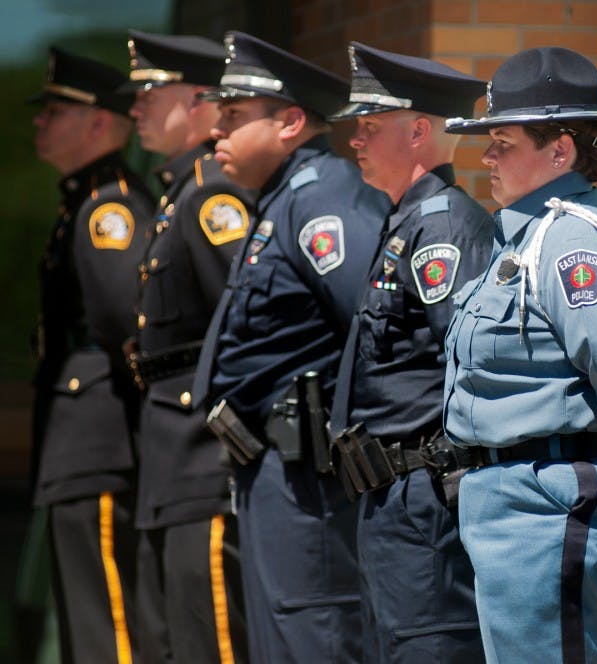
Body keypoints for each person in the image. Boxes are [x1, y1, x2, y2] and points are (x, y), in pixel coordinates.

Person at [442, 47, 597, 664]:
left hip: (552, 505)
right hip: (522, 507)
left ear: (560, 150)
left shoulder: (570, 238)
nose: (486, 156)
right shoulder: (530, 233)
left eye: (503, 142)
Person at [190, 31, 389, 663]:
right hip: (274, 472)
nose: (216, 132)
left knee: (317, 634)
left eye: (233, 117)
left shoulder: (322, 199)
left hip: (312, 478)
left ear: (291, 121)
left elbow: (376, 323)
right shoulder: (282, 201)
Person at [324, 42, 491, 663]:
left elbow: (469, 361)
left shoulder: (443, 225)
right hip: (392, 501)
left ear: (420, 131)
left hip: (424, 504)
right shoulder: (407, 222)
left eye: (370, 127)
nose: (355, 141)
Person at [122, 30, 254, 664]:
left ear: (202, 103)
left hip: (203, 454)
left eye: (152, 92)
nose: (136, 108)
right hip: (169, 454)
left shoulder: (212, 196)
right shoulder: (176, 196)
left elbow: (249, 323)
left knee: (211, 642)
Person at [28, 46, 155, 663]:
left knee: (108, 626)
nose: (38, 121)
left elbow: (117, 325)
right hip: (79, 439)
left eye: (55, 110)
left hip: (100, 436)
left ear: (101, 123)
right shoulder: (81, 202)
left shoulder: (111, 206)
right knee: (85, 621)